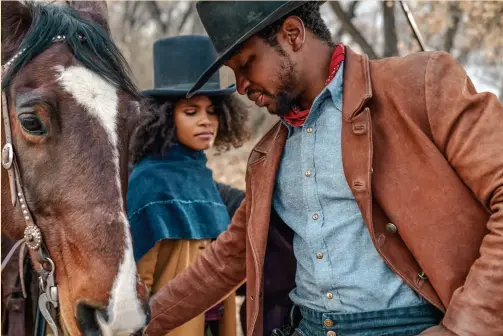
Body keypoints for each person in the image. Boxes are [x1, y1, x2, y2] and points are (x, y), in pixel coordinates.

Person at [141, 2, 503, 336]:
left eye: (247, 63)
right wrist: (138, 326)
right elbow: (228, 258)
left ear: (293, 34)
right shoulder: (267, 154)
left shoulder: (420, 84)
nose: (240, 86)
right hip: (307, 325)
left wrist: (465, 327)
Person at [127, 35, 249, 336]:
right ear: (166, 117)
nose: (206, 121)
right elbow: (137, 281)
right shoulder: (149, 180)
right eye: (191, 112)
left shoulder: (201, 175)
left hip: (212, 325)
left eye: (212, 110)